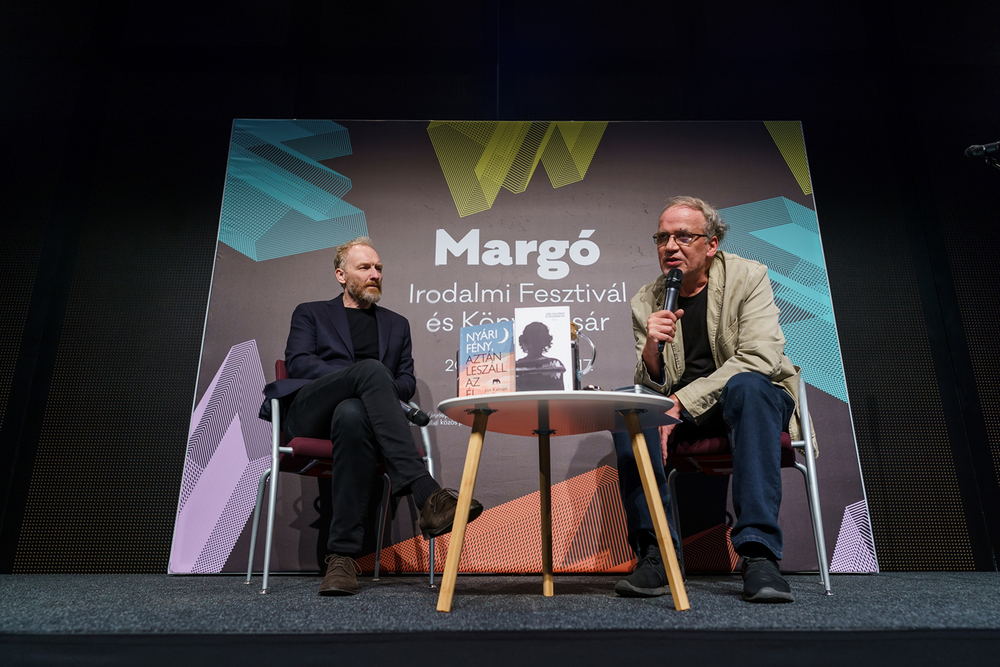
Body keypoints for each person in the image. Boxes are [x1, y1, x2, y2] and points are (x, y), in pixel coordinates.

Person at [612, 196, 812, 603]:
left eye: (684, 236)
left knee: (748, 387)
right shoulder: (646, 300)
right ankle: (655, 554)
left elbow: (759, 357)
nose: (670, 246)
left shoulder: (749, 276)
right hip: (683, 412)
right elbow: (650, 384)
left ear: (712, 243)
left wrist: (680, 403)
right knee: (628, 403)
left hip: (751, 402)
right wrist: (651, 349)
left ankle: (759, 556)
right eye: (662, 237)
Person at [262, 237, 483, 596]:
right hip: (310, 412)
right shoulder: (311, 312)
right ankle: (425, 492)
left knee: (352, 414)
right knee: (368, 373)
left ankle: (341, 561)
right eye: (365, 267)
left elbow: (406, 382)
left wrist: (368, 387)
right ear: (340, 274)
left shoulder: (397, 325)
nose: (375, 274)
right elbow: (300, 363)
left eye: (378, 268)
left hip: (359, 419)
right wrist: (361, 376)